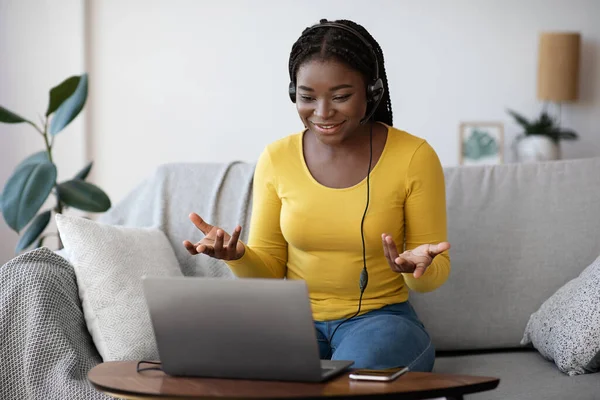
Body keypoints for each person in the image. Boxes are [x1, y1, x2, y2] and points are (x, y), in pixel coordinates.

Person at [183, 18, 451, 372]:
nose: (322, 113)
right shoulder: (277, 158)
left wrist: (415, 267)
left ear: (372, 92)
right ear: (294, 93)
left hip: (381, 320)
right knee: (228, 366)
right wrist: (238, 256)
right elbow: (269, 271)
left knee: (357, 373)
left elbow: (437, 271)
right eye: (308, 98)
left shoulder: (415, 157)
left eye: (341, 97)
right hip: (294, 321)